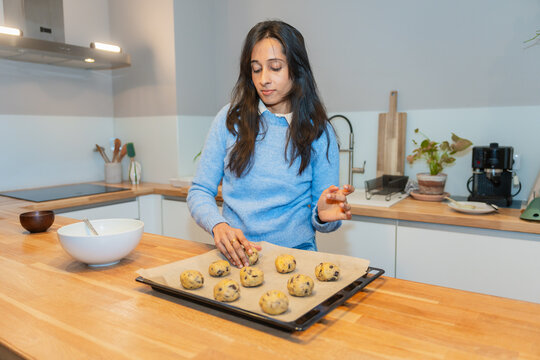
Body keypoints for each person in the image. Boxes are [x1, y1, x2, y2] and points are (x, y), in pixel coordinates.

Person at [187, 20, 354, 268]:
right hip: (236, 258)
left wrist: (323, 214)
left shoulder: (320, 132)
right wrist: (218, 225)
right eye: (256, 69)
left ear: (297, 70)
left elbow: (326, 217)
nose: (264, 79)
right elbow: (200, 190)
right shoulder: (229, 119)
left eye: (275, 67)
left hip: (296, 262)